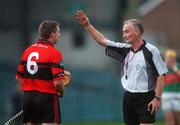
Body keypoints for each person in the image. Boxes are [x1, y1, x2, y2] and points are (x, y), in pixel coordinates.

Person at [76, 10, 168, 125]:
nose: (124, 35)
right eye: (123, 32)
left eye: (127, 31)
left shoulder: (151, 50)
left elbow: (161, 75)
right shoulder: (124, 49)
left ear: (137, 32)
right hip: (128, 97)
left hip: (146, 98)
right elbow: (102, 41)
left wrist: (157, 98)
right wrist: (87, 25)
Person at [16, 20, 65, 125]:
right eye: (58, 32)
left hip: (28, 98)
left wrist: (31, 92)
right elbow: (58, 83)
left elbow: (19, 79)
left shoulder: (28, 50)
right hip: (47, 98)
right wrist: (62, 91)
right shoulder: (54, 53)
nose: (59, 35)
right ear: (52, 35)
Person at [162, 50, 180, 125]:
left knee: (178, 119)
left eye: (172, 59)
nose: (170, 60)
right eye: (168, 58)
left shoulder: (178, 66)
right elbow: (158, 80)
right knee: (169, 119)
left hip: (177, 95)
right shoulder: (162, 67)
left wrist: (175, 68)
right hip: (166, 95)